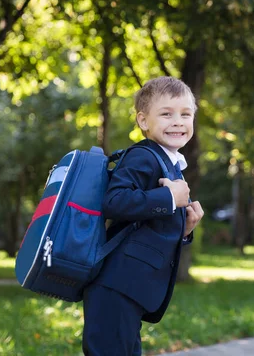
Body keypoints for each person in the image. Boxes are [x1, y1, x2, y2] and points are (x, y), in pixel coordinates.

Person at [82, 76, 205, 356]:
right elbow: (114, 201)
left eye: (186, 114)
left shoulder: (170, 165)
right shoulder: (143, 156)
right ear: (143, 121)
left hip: (131, 288)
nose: (178, 121)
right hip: (116, 284)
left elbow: (148, 226)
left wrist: (184, 230)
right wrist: (170, 198)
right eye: (166, 114)